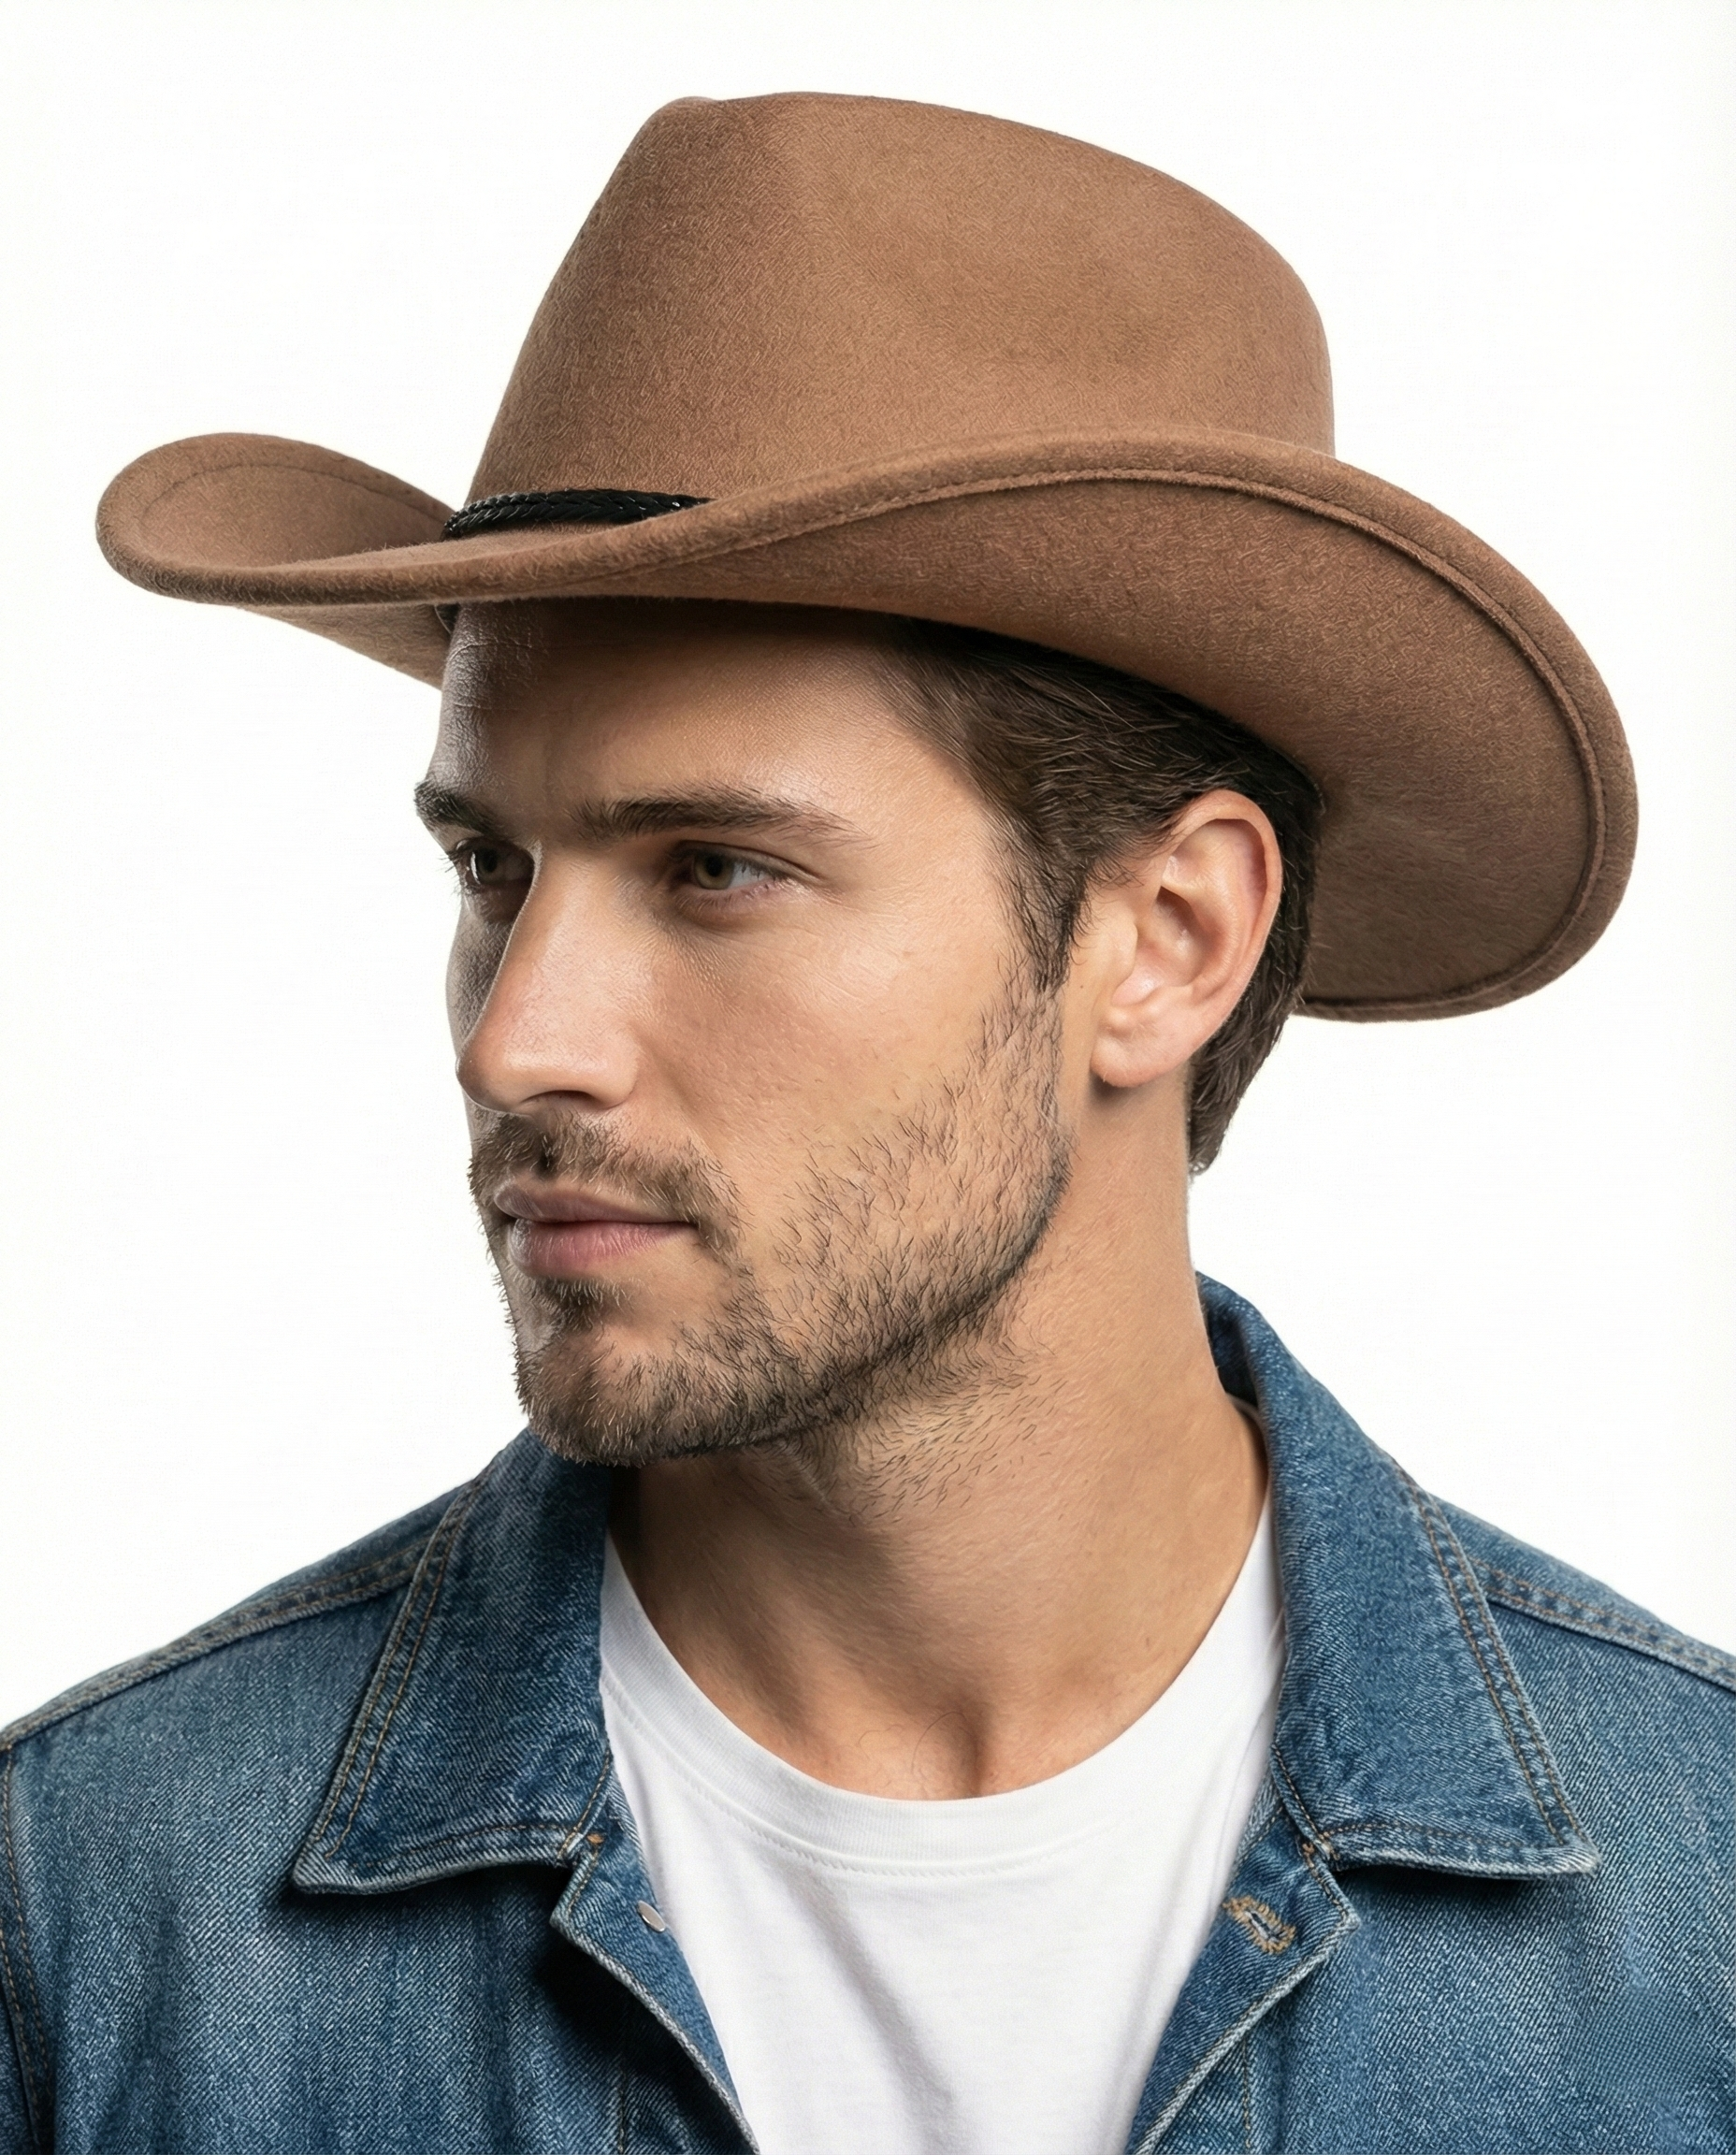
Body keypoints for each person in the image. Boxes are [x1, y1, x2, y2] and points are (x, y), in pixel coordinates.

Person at [3, 90, 1729, 2155]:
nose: (518, 1041)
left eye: (714, 869)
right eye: (490, 871)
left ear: (1169, 937)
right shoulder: (97, 1918)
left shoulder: (1689, 1919)